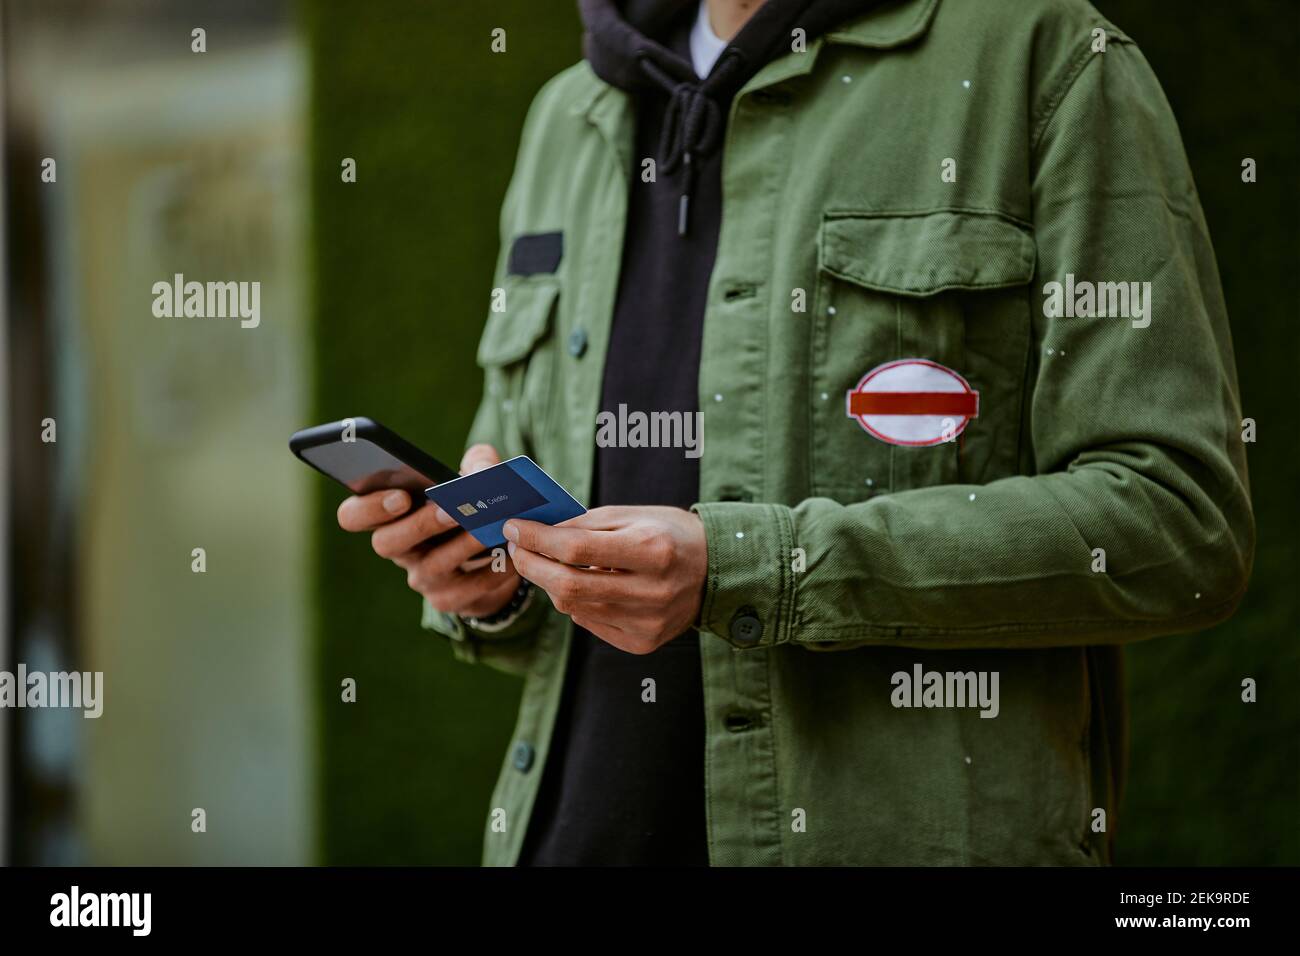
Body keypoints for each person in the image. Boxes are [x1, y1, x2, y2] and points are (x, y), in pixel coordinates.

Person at [336, 0, 1254, 866]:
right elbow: (523, 489)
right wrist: (492, 578)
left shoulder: (1043, 55)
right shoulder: (567, 113)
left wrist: (754, 568)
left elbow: (1179, 521)